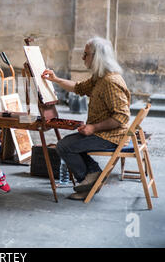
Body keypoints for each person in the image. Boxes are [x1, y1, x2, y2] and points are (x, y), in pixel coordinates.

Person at [41, 37, 131, 200]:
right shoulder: (100, 78)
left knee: (64, 145)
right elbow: (78, 88)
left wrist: (93, 128)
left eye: (85, 54)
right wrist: (55, 79)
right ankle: (93, 175)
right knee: (69, 143)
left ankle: (88, 182)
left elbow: (122, 117)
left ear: (97, 57)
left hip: (112, 136)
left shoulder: (110, 81)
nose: (82, 58)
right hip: (105, 133)